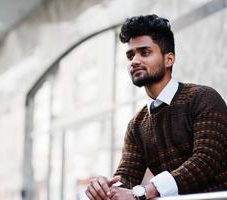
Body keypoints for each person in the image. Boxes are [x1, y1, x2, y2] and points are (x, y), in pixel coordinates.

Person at [85, 14, 227, 200]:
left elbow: (206, 161)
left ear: (169, 59)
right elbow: (126, 177)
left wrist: (145, 192)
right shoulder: (137, 124)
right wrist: (106, 188)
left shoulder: (203, 98)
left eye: (144, 53)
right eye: (130, 55)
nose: (134, 61)